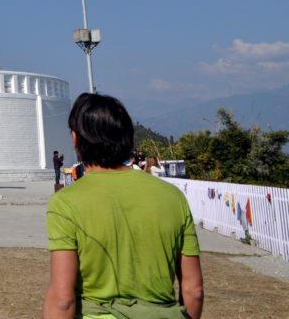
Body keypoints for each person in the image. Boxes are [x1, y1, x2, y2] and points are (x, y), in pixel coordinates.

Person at [43, 93, 204, 319]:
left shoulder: (66, 203)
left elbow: (62, 301)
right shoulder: (172, 197)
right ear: (127, 137)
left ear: (76, 138)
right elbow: (193, 291)